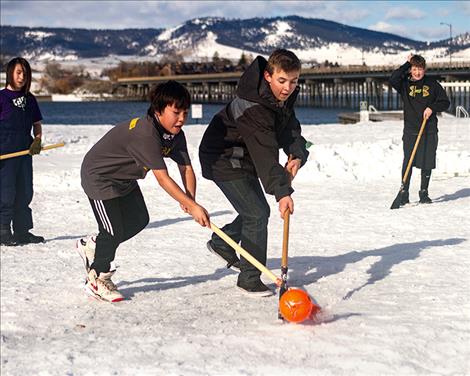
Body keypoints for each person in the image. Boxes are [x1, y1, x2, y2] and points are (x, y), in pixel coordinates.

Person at [77, 80, 210, 302]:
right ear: (158, 111)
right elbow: (162, 177)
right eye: (176, 112)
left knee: (139, 219)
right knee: (112, 231)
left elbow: (186, 167)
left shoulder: (176, 135)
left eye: (185, 113)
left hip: (125, 179)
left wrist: (190, 200)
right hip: (99, 177)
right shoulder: (146, 133)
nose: (182, 119)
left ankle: (95, 245)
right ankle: (97, 278)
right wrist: (194, 207)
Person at [199, 49, 309, 296]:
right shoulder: (253, 105)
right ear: (268, 76)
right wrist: (282, 192)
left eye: (294, 82)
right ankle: (249, 278)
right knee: (257, 213)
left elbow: (290, 132)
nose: (288, 88)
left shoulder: (280, 99)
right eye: (282, 81)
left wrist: (298, 155)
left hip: (244, 155)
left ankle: (221, 241)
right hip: (223, 157)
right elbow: (266, 153)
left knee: (255, 212)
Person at [390, 54, 450, 205]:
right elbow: (393, 79)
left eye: (420, 69)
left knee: (427, 161)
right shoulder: (404, 85)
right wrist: (406, 63)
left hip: (429, 130)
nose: (417, 72)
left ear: (425, 69)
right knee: (408, 161)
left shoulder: (432, 84)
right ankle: (404, 192)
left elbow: (445, 102)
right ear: (411, 69)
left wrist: (432, 108)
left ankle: (424, 192)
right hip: (411, 130)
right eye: (414, 69)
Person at [0, 57, 44, 246]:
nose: (22, 76)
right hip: (5, 155)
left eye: (25, 73)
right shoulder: (1, 98)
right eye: (18, 72)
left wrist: (37, 140)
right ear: (10, 73)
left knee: (25, 191)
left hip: (25, 154)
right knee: (6, 192)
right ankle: (2, 231)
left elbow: (37, 124)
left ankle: (22, 231)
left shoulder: (30, 99)